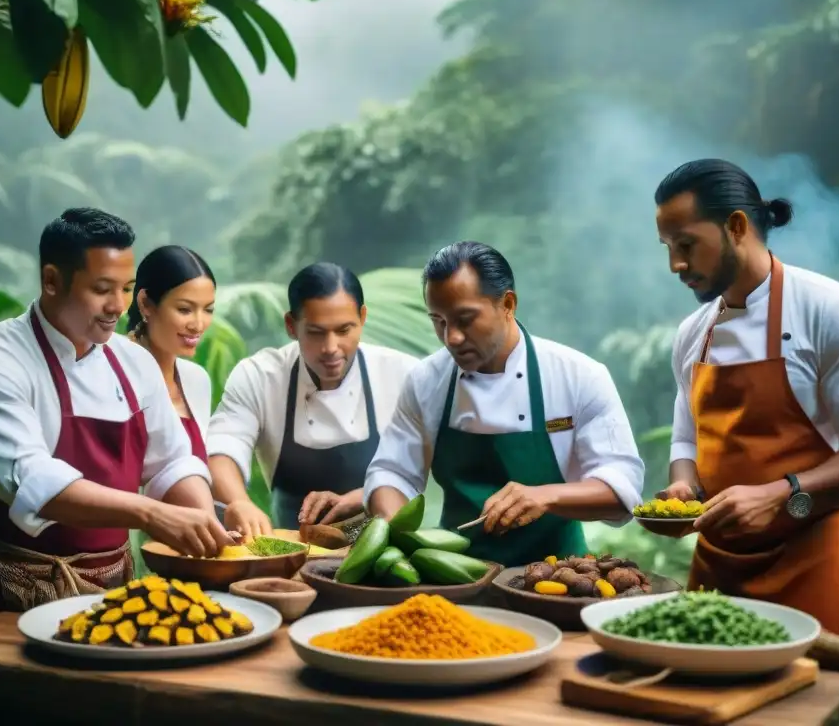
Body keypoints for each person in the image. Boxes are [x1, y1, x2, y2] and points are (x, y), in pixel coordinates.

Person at [655, 158, 839, 649]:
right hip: (718, 571)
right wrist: (683, 486)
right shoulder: (692, 334)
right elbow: (687, 433)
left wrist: (780, 494)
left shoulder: (835, 312)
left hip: (816, 561)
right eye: (668, 248)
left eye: (686, 245)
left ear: (736, 226)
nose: (676, 265)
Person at [0, 208, 233, 620]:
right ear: (51, 280)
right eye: (102, 288)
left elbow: (172, 461)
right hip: (7, 594)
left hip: (112, 595)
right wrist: (151, 513)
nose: (118, 306)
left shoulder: (133, 362)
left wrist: (203, 524)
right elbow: (36, 482)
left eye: (126, 288)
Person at [364, 241, 645, 567]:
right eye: (438, 321)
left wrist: (546, 495)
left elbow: (621, 490)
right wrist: (401, 536)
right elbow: (392, 472)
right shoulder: (426, 381)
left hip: (560, 576)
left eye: (465, 318)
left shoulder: (579, 376)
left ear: (508, 304)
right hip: (457, 573)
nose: (451, 337)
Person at [207, 263, 419, 534]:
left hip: (387, 553)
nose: (331, 348)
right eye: (316, 333)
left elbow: (419, 469)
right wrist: (238, 502)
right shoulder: (260, 376)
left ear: (363, 318)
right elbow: (223, 448)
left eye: (344, 330)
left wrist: (364, 496)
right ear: (291, 325)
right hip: (293, 554)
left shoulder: (401, 374)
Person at [127, 245, 216, 462]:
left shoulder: (196, 380)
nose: (198, 325)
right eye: (185, 309)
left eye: (208, 310)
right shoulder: (113, 370)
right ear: (146, 303)